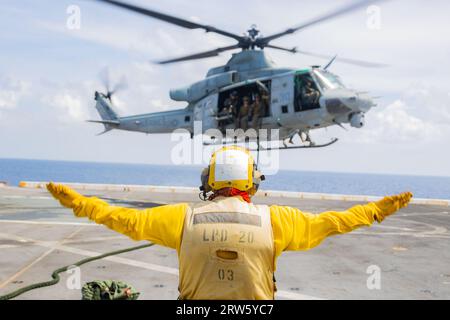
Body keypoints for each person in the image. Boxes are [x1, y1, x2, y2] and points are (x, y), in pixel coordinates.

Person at [47, 146, 413, 300]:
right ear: (252, 182)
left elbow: (122, 218)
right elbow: (333, 222)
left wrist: (80, 203)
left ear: (209, 182)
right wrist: (375, 210)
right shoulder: (278, 220)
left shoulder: (181, 217)